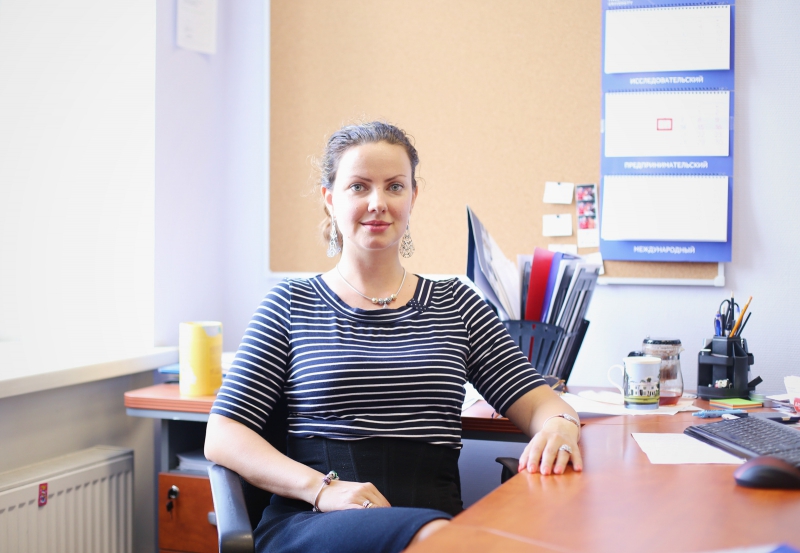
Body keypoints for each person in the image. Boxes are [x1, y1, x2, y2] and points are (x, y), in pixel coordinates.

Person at [204, 121, 582, 553]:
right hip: (319, 520)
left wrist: (560, 426)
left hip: (435, 524)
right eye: (358, 186)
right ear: (330, 199)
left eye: (395, 187)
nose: (378, 203)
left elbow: (542, 404)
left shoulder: (457, 304)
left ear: (413, 197)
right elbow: (223, 432)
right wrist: (321, 489)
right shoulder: (291, 302)